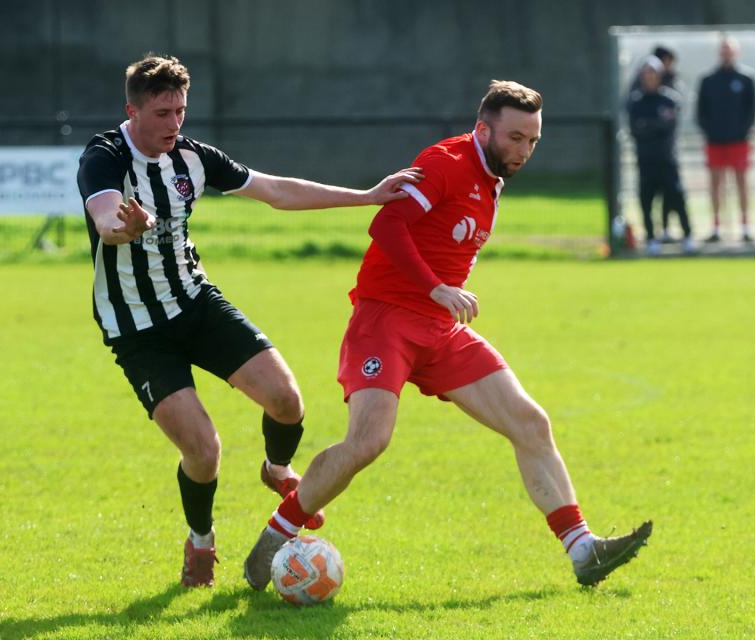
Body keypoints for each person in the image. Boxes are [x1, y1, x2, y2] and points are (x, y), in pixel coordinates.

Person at [244, 80, 653, 591]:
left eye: (532, 141)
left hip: (439, 329)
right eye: (515, 138)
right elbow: (387, 227)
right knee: (369, 441)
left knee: (530, 422)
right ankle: (276, 536)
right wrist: (436, 287)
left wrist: (439, 296)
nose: (524, 151)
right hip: (385, 319)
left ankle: (583, 550)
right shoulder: (446, 162)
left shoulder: (492, 178)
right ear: (483, 129)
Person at [76, 53, 422, 588]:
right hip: (138, 327)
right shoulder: (103, 156)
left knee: (287, 400)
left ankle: (277, 469)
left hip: (195, 302)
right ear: (133, 110)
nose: (175, 124)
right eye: (163, 113)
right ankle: (200, 544)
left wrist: (366, 196)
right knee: (204, 449)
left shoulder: (191, 157)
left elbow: (276, 191)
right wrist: (126, 224)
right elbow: (104, 220)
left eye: (181, 111)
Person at [627, 56, 695, 256]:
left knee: (677, 197)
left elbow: (667, 127)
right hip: (645, 160)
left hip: (667, 160)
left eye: (653, 74)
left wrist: (648, 125)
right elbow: (635, 129)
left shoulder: (669, 99)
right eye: (646, 74)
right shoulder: (636, 101)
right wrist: (654, 124)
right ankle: (651, 237)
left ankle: (688, 236)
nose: (650, 78)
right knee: (647, 201)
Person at [696, 37, 755, 243]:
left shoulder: (746, 78)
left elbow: (751, 111)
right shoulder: (708, 80)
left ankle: (745, 226)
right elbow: (700, 112)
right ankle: (716, 227)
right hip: (715, 141)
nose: (726, 54)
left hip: (739, 141)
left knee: (741, 183)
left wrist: (741, 131)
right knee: (715, 184)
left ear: (735, 53)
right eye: (723, 50)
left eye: (729, 51)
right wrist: (711, 131)